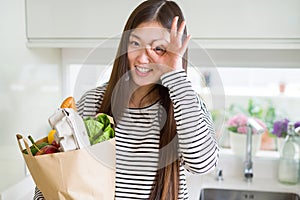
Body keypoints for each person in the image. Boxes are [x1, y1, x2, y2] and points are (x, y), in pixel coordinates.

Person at [34, 0, 219, 199]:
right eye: (135, 43)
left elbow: (203, 164)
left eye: (158, 49)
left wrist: (175, 75)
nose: (142, 58)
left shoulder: (186, 105)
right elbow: (56, 174)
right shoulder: (93, 101)